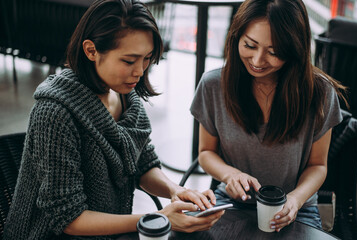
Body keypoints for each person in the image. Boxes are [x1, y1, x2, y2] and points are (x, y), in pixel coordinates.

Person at [3, 0, 223, 239]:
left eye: (147, 58)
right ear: (91, 50)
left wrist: (176, 191)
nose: (140, 71)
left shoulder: (127, 96)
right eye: (129, 61)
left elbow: (142, 164)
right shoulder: (55, 114)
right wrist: (157, 218)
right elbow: (68, 218)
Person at [190, 0, 347, 232]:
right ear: (236, 37)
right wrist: (230, 175)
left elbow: (318, 165)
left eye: (274, 52)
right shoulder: (213, 85)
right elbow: (205, 152)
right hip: (233, 202)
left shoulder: (320, 93)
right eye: (250, 45)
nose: (257, 61)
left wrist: (295, 199)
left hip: (297, 208)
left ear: (295, 50)